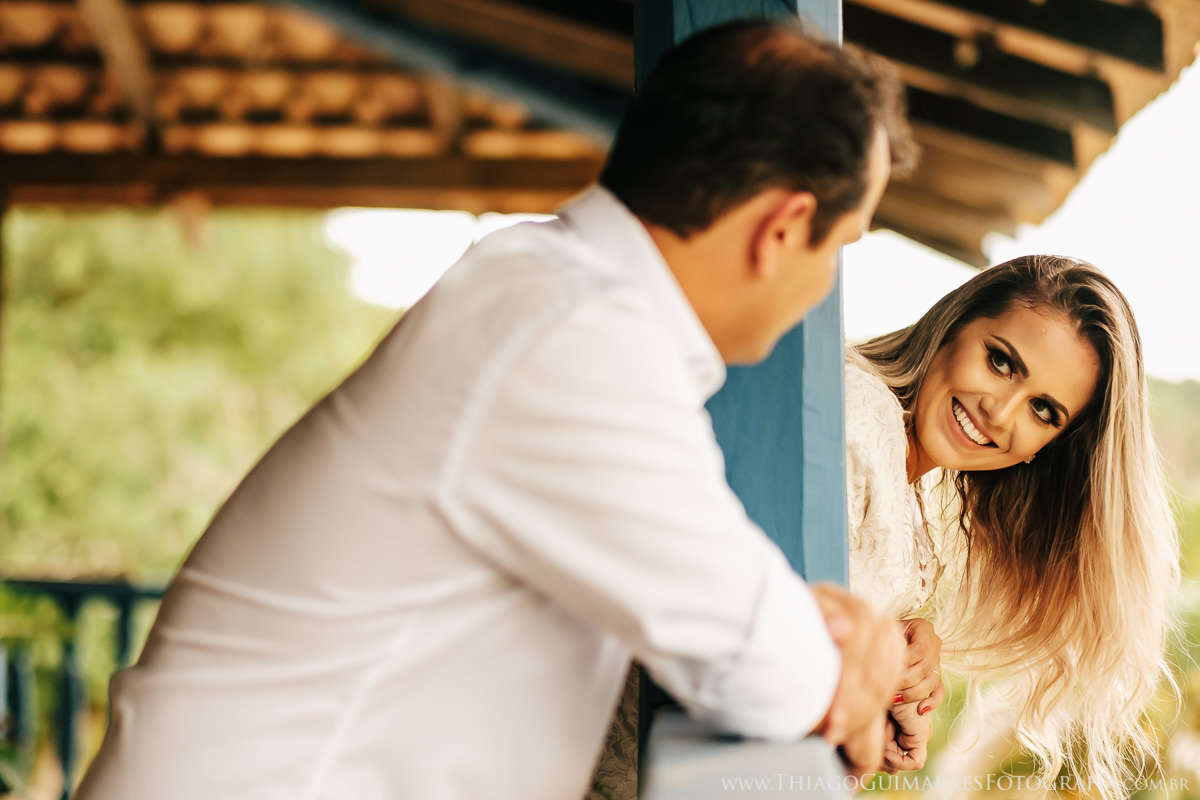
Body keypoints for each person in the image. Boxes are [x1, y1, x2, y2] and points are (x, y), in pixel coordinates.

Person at [75, 19, 920, 800]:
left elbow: (710, 586)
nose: (828, 284)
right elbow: (766, 671)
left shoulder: (546, 290)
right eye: (842, 248)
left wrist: (801, 622)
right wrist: (865, 646)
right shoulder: (573, 338)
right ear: (783, 228)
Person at [843, 254, 1179, 793]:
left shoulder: (913, 493)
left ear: (1046, 450)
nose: (1000, 413)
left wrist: (900, 662)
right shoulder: (858, 414)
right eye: (1001, 362)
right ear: (951, 324)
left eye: (1043, 410)